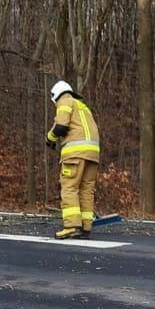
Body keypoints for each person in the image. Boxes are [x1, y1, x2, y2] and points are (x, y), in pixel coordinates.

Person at [45, 80, 100, 239]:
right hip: (93, 154)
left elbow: (61, 126)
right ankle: (86, 226)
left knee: (69, 187)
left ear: (56, 96)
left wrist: (50, 138)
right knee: (86, 190)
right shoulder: (82, 106)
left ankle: (71, 226)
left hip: (75, 154)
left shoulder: (64, 101)